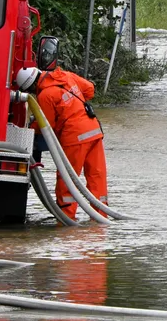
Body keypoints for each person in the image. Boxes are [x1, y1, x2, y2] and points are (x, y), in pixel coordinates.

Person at [15, 66, 107, 220]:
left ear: (32, 86)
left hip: (74, 137)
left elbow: (46, 125)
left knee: (67, 178)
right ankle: (100, 217)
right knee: (96, 175)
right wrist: (73, 104)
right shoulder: (65, 76)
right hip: (94, 130)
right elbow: (90, 90)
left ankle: (66, 218)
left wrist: (31, 127)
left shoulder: (45, 95)